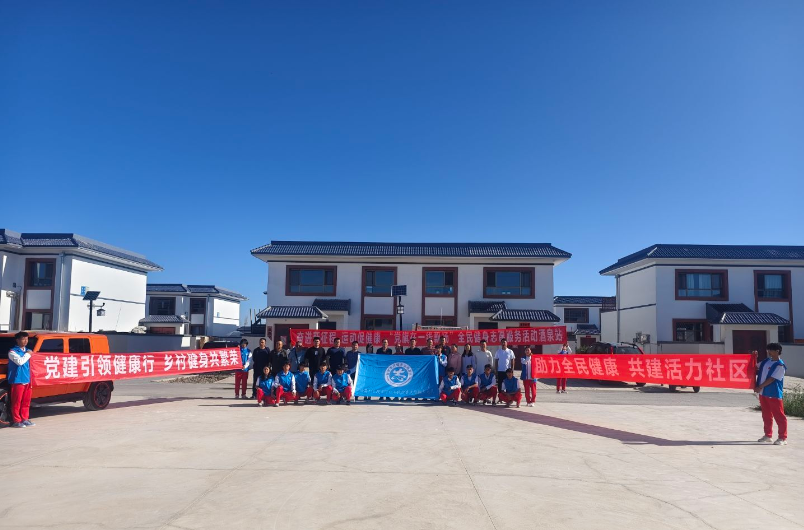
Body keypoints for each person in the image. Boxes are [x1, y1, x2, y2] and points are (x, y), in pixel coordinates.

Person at [755, 343, 787, 445]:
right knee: (766, 415)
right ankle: (768, 435)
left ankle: (782, 438)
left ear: (777, 351)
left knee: (779, 416)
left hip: (774, 393)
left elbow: (772, 379)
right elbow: (754, 367)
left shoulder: (780, 365)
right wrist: (754, 357)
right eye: (768, 350)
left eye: (771, 350)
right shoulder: (766, 361)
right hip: (763, 393)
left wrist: (760, 386)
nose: (769, 352)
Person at [7, 331, 34, 428]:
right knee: (17, 402)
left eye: (27, 339)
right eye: (23, 339)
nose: (25, 341)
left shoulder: (27, 351)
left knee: (26, 401)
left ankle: (25, 419)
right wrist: (28, 354)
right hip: (17, 380)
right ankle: (16, 420)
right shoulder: (12, 352)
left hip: (27, 379)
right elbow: (20, 362)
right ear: (17, 340)